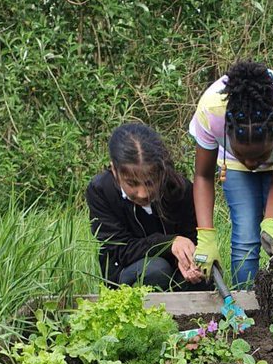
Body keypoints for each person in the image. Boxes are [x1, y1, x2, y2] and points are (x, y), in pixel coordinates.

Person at [190, 61, 273, 289]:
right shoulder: (211, 113)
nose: (252, 165)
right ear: (227, 133)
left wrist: (271, 222)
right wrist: (206, 236)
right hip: (232, 162)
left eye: (259, 156)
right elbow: (203, 176)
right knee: (245, 240)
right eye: (245, 156)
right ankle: (245, 315)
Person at [87, 123, 203, 289]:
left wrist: (189, 261)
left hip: (175, 270)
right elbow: (119, 249)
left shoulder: (180, 189)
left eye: (149, 182)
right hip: (126, 270)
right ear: (114, 170)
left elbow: (193, 238)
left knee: (203, 274)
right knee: (156, 269)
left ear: (160, 171)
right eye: (132, 183)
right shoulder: (101, 191)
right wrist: (168, 243)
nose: (142, 193)